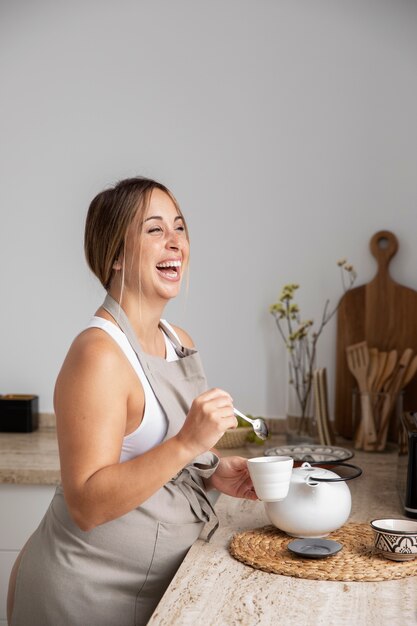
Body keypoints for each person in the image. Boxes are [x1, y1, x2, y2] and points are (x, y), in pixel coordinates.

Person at [7, 176, 257, 626]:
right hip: (82, 598)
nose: (175, 242)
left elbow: (159, 446)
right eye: (154, 230)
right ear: (117, 256)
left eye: (179, 228)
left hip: (155, 590)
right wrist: (187, 444)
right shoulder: (98, 354)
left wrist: (215, 468)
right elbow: (86, 503)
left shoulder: (177, 340)